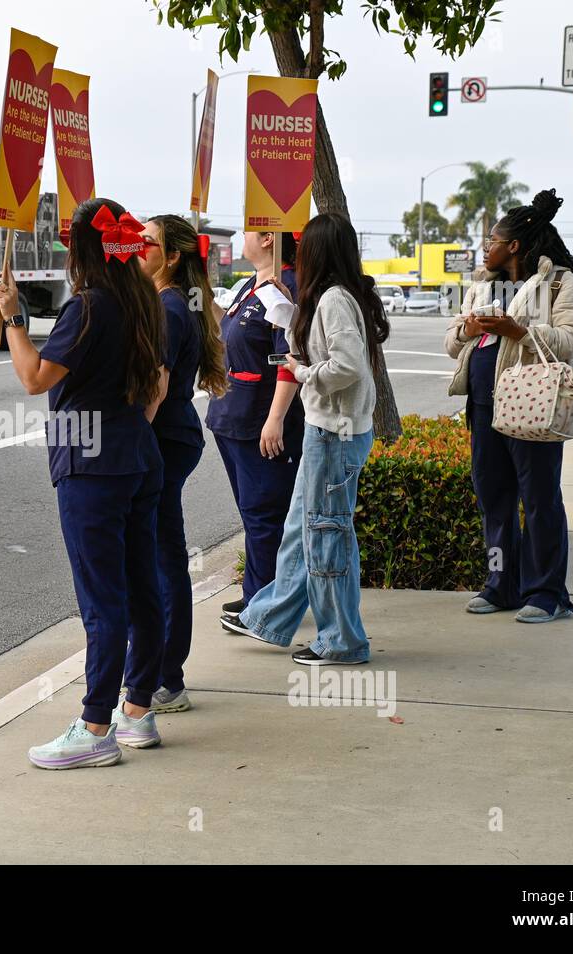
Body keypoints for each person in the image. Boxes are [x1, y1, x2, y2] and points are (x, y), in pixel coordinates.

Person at [0, 198, 169, 767]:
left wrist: (15, 318)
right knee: (144, 587)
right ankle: (137, 711)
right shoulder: (143, 300)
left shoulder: (89, 307)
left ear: (79, 253)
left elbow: (33, 378)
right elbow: (156, 389)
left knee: (102, 602)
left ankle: (96, 728)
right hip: (138, 457)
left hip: (92, 467)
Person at [220, 213, 389, 665]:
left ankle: (342, 641)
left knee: (326, 535)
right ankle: (270, 618)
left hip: (334, 432)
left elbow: (347, 365)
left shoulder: (333, 299)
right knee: (301, 530)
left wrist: (302, 372)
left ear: (317, 251)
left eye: (304, 246)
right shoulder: (337, 295)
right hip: (331, 430)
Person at [443, 189, 573, 623]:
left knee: (540, 499)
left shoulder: (560, 282)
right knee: (494, 499)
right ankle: (499, 584)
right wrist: (469, 329)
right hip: (484, 406)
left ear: (514, 245)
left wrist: (518, 329)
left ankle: (547, 593)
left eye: (492, 239)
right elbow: (450, 343)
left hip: (533, 407)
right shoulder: (480, 285)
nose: (485, 246)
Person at [122, 214, 228, 713]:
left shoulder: (169, 307)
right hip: (171, 434)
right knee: (159, 555)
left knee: (162, 558)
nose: (137, 248)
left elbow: (156, 387)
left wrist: (131, 440)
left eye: (147, 243)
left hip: (162, 437)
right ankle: (162, 670)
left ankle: (167, 678)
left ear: (172, 256)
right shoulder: (169, 303)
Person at [207, 229, 304, 619]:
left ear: (268, 238)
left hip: (261, 419)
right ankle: (258, 595)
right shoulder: (254, 282)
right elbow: (226, 330)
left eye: (247, 230)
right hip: (233, 415)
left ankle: (266, 605)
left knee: (264, 512)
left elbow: (288, 357)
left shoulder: (289, 285)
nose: (238, 237)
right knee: (252, 513)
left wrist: (275, 419)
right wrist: (200, 292)